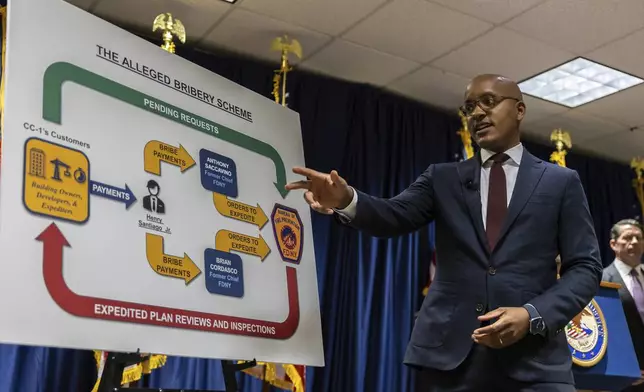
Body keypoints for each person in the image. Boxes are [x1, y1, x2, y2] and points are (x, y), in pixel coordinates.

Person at [286, 74, 603, 391]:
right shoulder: (443, 178)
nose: (477, 113)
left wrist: (532, 315)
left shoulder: (560, 182)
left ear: (519, 110)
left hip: (536, 361)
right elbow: (392, 216)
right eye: (469, 108)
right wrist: (346, 200)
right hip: (450, 361)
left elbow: (585, 267)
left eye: (489, 102)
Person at [602, 219, 644, 391]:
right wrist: (623, 371)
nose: (634, 242)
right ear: (613, 244)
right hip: (629, 377)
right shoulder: (602, 280)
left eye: (639, 238)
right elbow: (605, 332)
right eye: (628, 238)